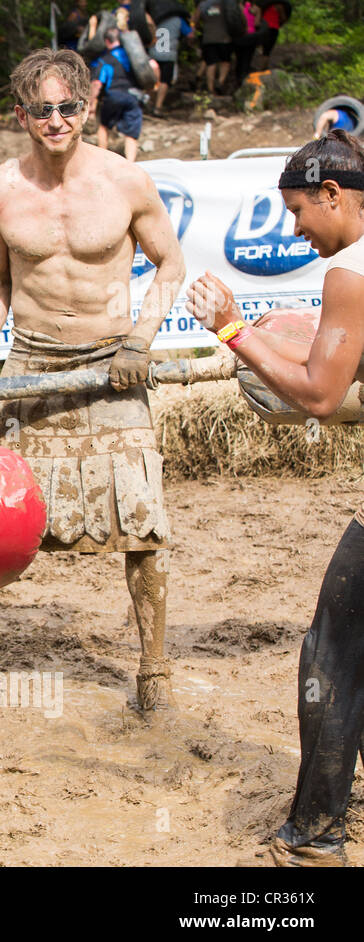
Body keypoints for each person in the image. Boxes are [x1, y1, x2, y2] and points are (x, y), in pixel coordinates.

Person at [0, 48, 185, 718]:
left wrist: (139, 342)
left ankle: (153, 671)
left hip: (111, 368)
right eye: (41, 110)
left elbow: (171, 265)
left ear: (88, 106)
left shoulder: (129, 182)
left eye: (68, 107)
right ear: (22, 115)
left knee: (141, 520)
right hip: (30, 371)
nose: (56, 120)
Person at [186, 132, 364, 866]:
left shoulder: (352, 270)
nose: (295, 229)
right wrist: (260, 339)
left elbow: (322, 394)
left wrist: (230, 328)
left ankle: (316, 829)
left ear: (332, 195)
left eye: (298, 211)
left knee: (333, 654)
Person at [90, 28, 145, 162]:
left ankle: (102, 159)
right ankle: (131, 162)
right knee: (131, 134)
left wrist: (91, 103)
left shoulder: (105, 59)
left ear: (107, 41)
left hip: (113, 96)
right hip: (133, 96)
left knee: (103, 126)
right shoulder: (132, 56)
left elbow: (97, 83)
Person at [149, 4, 194, 113]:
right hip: (169, 54)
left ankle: (150, 102)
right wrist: (192, 24)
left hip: (153, 53)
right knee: (165, 81)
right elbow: (190, 35)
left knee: (153, 80)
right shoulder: (178, 20)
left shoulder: (154, 18)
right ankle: (158, 106)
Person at [197, 0, 232, 94]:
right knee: (225, 62)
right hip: (224, 37)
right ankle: (220, 82)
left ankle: (210, 89)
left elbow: (194, 20)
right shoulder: (227, 3)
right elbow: (237, 16)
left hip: (208, 38)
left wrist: (199, 28)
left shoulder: (203, 5)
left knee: (211, 63)